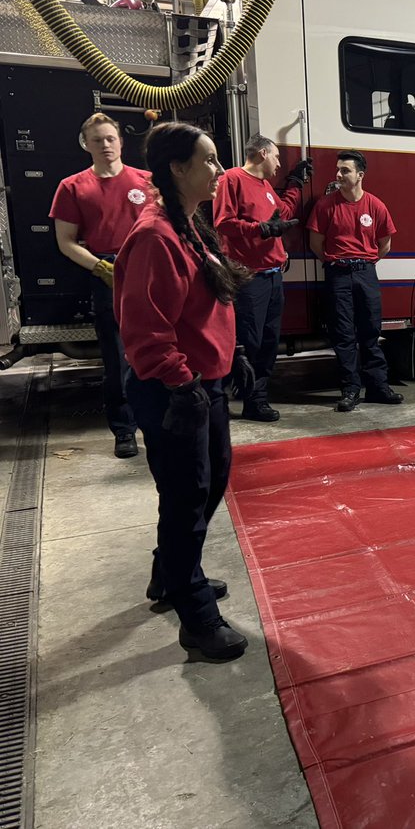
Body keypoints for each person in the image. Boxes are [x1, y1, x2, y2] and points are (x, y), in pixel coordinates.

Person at [114, 121, 254, 660]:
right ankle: (195, 615)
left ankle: (170, 574)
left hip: (203, 382)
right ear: (178, 168)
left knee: (208, 482)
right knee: (187, 495)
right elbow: (145, 331)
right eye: (211, 160)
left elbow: (205, 302)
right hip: (176, 390)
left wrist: (230, 351)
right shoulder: (155, 236)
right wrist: (182, 384)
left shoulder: (188, 223)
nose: (220, 170)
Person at [51, 113, 151, 459]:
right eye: (97, 140)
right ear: (86, 145)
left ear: (121, 142)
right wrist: (102, 268)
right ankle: (124, 430)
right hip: (107, 275)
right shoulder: (72, 187)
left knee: (157, 350)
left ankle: (155, 421)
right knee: (118, 358)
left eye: (110, 138)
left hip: (148, 271)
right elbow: (66, 241)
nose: (105, 145)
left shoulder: (146, 182)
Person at [213, 134, 312, 421]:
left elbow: (281, 214)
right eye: (277, 157)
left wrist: (295, 183)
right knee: (249, 342)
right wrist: (260, 230)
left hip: (272, 277)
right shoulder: (231, 179)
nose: (279, 163)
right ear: (262, 154)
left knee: (269, 341)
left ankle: (257, 400)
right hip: (248, 278)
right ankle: (235, 397)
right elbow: (224, 223)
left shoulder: (266, 186)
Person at [307, 151, 403, 412]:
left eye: (345, 170)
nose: (338, 175)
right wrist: (337, 262)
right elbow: (316, 243)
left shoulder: (375, 206)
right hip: (338, 274)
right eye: (338, 170)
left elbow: (385, 244)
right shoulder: (326, 206)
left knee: (371, 331)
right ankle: (350, 389)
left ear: (360, 175)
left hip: (366, 273)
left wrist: (365, 262)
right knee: (344, 335)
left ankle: (377, 387)